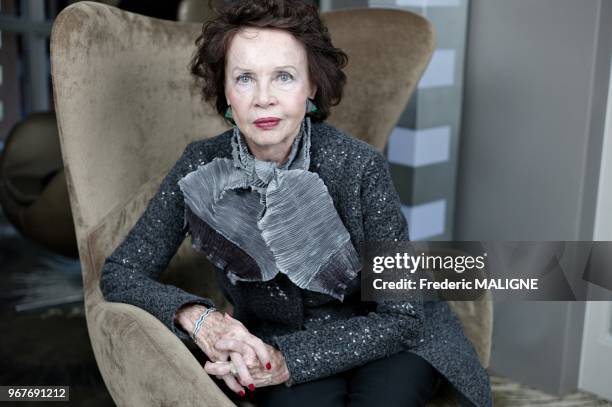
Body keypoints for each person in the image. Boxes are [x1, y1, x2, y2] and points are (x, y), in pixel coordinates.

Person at [99, 0, 492, 406]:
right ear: (225, 93)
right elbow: (121, 272)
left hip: (387, 334)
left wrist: (289, 361)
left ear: (311, 88)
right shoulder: (200, 166)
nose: (264, 98)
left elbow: (401, 318)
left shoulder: (358, 166)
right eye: (245, 78)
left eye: (284, 77)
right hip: (281, 340)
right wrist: (200, 319)